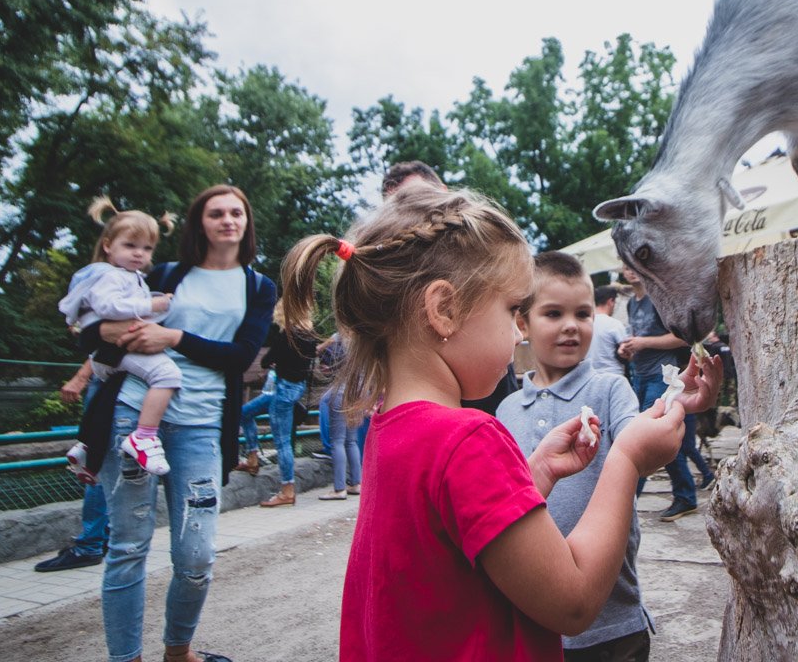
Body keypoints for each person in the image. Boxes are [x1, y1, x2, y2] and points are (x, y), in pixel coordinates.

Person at [278, 185, 722, 661]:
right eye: (512, 309)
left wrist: (538, 475)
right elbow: (572, 603)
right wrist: (627, 460)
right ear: (444, 310)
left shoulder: (391, 428)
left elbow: (458, 539)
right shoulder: (467, 437)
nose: (517, 333)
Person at [80, 184, 275, 662]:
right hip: (133, 416)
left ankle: (178, 650)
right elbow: (89, 327)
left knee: (196, 558)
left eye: (236, 213)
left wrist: (173, 336)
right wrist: (112, 331)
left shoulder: (258, 286)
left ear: (246, 223)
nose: (228, 220)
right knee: (127, 548)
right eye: (216, 213)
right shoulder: (165, 274)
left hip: (203, 427)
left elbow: (242, 356)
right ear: (199, 223)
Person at [498, 252, 676, 661]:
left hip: (614, 619)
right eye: (553, 313)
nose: (570, 326)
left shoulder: (610, 390)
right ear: (522, 324)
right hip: (534, 621)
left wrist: (678, 397)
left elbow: (640, 443)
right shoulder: (506, 410)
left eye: (582, 313)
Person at [382, 157, 519, 414]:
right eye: (395, 206)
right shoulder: (390, 282)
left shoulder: (481, 255)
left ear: (443, 193)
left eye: (415, 197)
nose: (407, 211)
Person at [59, 196, 181, 476]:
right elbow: (109, 307)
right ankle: (145, 436)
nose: (139, 254)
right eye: (130, 245)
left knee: (111, 395)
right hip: (116, 350)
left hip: (107, 355)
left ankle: (87, 448)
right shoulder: (111, 275)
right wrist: (153, 305)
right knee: (167, 376)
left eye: (147, 248)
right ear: (107, 245)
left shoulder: (130, 275)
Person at [616, 263, 702, 521]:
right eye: (625, 265)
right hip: (640, 376)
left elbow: (684, 337)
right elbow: (641, 340)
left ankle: (626, 501)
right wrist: (629, 350)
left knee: (646, 437)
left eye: (635, 264)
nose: (630, 270)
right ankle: (685, 496)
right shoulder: (633, 303)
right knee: (657, 437)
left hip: (663, 376)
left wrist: (644, 342)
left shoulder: (658, 298)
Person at [234, 307, 317, 506]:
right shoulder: (310, 337)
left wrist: (275, 363)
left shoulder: (286, 336)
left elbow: (265, 361)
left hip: (282, 390)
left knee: (281, 441)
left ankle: (287, 489)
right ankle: (252, 458)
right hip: (294, 388)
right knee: (245, 413)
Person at [34, 360, 109, 572]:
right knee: (117, 465)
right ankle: (105, 539)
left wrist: (81, 376)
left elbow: (112, 342)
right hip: (135, 386)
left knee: (96, 465)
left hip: (109, 382)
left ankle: (90, 545)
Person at [314, 334, 361, 500]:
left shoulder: (343, 344)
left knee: (337, 442)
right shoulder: (362, 347)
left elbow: (334, 338)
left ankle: (339, 488)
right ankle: (356, 483)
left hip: (341, 395)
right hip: (357, 395)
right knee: (351, 441)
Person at [585, 284, 629, 377]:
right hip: (613, 374)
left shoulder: (585, 323)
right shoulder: (614, 324)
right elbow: (627, 350)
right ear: (611, 301)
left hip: (589, 376)